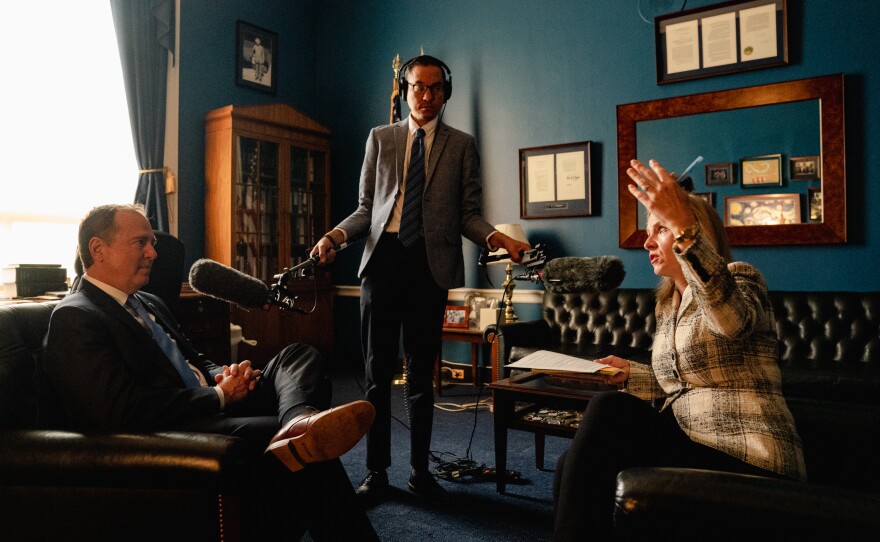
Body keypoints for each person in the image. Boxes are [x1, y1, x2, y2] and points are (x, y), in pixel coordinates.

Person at [41, 203, 380, 541]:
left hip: (215, 398)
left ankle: (299, 420)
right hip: (181, 424)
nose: (152, 254)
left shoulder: (148, 302)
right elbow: (118, 410)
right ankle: (298, 439)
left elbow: (196, 360)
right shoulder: (76, 316)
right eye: (140, 242)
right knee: (308, 455)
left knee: (299, 355)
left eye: (152, 243)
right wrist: (217, 395)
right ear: (98, 249)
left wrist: (227, 374)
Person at [309, 55, 532, 505]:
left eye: (434, 88)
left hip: (430, 267)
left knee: (420, 376)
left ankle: (418, 470)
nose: (426, 96)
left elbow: (468, 213)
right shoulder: (380, 138)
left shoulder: (462, 145)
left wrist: (497, 239)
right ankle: (376, 471)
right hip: (383, 262)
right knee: (375, 376)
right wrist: (335, 235)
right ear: (404, 89)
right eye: (418, 87)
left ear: (445, 92)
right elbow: (366, 209)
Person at [552, 159, 807, 540]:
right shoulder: (668, 304)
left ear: (693, 233)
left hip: (746, 454)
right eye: (648, 231)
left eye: (661, 229)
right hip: (690, 440)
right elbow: (680, 384)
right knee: (566, 463)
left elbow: (731, 321)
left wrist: (682, 223)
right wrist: (630, 373)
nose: (647, 241)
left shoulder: (741, 277)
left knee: (608, 412)